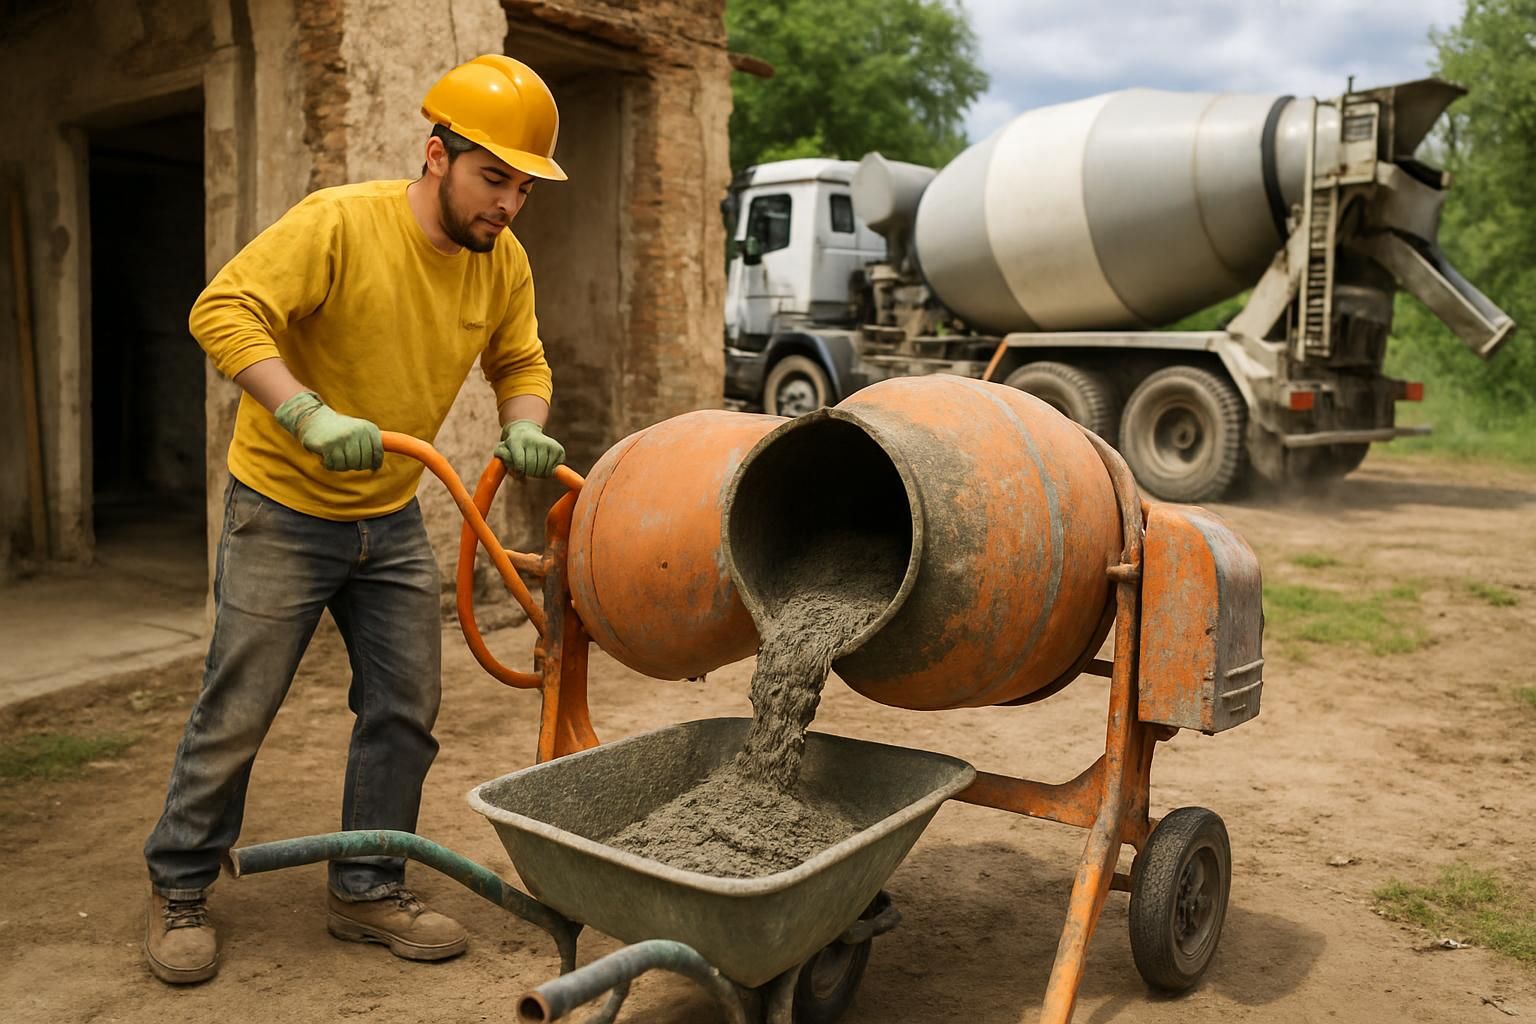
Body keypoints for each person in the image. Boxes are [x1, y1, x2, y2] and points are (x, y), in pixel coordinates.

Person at [141, 54, 568, 984]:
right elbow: (224, 310)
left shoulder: (504, 264)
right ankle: (179, 885)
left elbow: (521, 363)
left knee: (405, 709)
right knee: (239, 708)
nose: (507, 203)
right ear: (435, 155)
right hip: (282, 506)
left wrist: (526, 427)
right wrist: (303, 410)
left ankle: (367, 886)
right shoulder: (340, 223)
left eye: (522, 187)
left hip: (391, 512)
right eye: (493, 177)